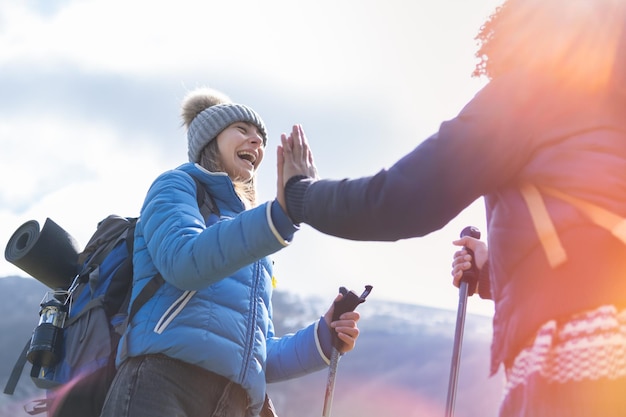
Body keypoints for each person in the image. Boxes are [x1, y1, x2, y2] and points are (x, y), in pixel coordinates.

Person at [277, 1, 626, 416]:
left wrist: (299, 194)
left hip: (585, 351)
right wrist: (494, 269)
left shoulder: (532, 93)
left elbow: (400, 201)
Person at [99, 87, 361, 417]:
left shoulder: (254, 238)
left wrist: (324, 337)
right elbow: (184, 261)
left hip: (233, 405)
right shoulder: (176, 186)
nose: (257, 142)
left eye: (261, 139)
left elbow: (257, 355)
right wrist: (279, 217)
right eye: (242, 130)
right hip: (163, 383)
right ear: (211, 139)